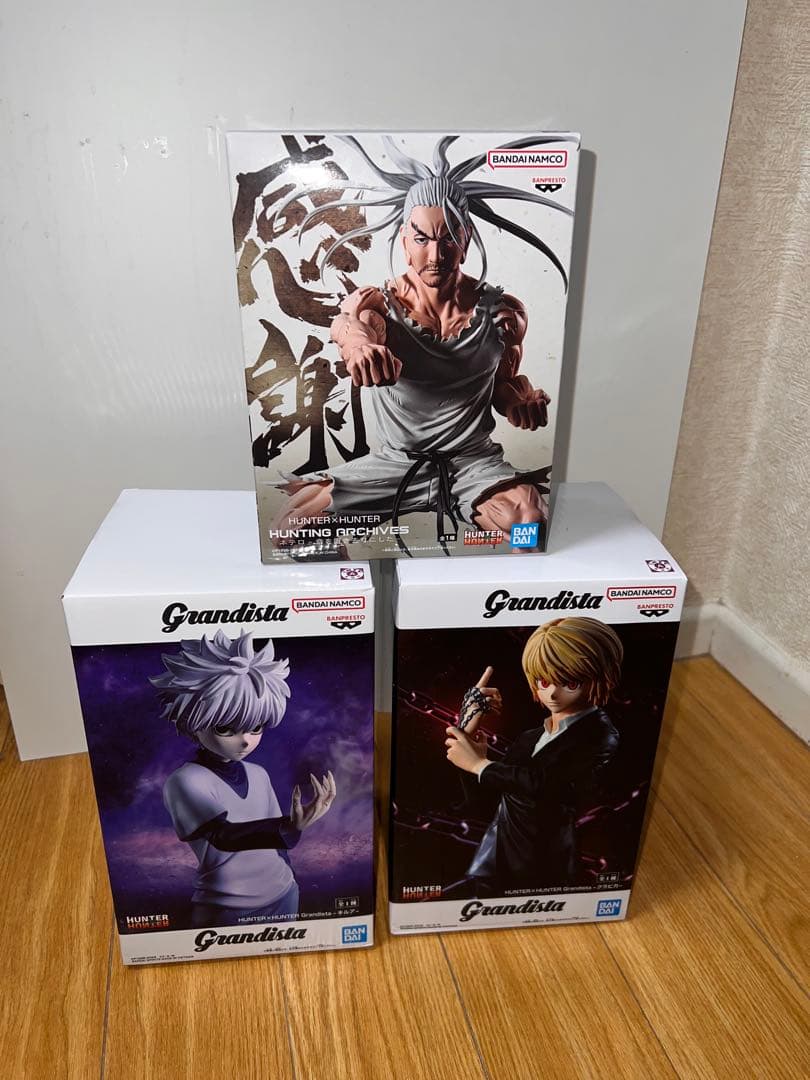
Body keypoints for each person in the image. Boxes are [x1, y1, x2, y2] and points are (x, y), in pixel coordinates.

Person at [272, 135, 575, 548]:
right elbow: (351, 327)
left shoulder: (504, 313)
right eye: (422, 239)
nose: (436, 255)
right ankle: (354, 583)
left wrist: (520, 403)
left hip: (472, 465)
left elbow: (504, 384)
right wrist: (361, 349)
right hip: (395, 465)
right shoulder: (378, 305)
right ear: (404, 241)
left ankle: (503, 587)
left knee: (531, 527)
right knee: (290, 531)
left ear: (466, 240)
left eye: (448, 238)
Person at [151, 630, 336, 928]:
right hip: (226, 906)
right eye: (226, 728)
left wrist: (291, 837)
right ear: (192, 722)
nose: (245, 740)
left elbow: (277, 845)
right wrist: (290, 826)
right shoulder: (185, 781)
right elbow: (224, 836)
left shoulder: (258, 774)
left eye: (256, 727)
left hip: (284, 892)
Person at [444, 617, 622, 895]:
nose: (552, 693)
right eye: (543, 681)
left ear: (600, 676)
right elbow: (491, 798)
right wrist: (468, 734)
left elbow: (545, 784)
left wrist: (480, 765)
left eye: (570, 682)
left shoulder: (599, 734)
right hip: (493, 861)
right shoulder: (530, 737)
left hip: (542, 868)